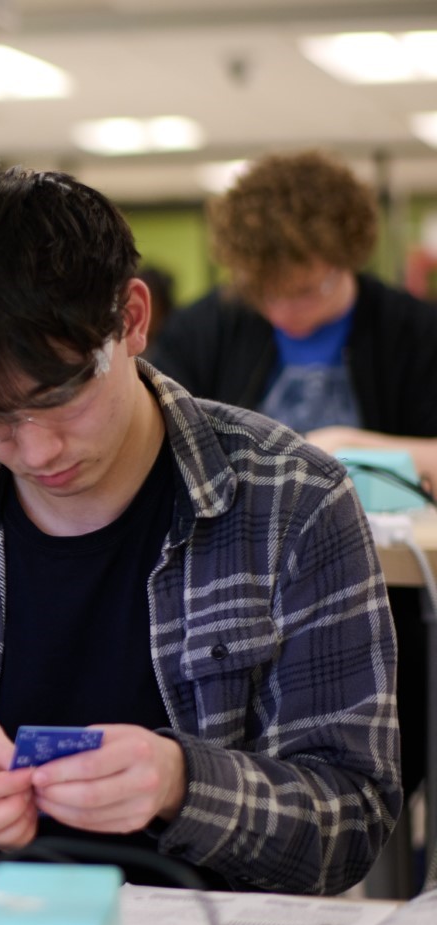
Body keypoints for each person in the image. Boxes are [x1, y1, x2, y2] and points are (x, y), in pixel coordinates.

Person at [0, 167, 400, 895]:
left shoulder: (294, 503)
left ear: (132, 319)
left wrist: (185, 785)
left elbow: (352, 820)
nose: (37, 450)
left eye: (61, 396)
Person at [149, 149, 436, 810]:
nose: (286, 312)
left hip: (390, 597)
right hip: (238, 596)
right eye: (266, 292)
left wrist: (346, 448)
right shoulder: (208, 327)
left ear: (350, 256)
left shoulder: (412, 332)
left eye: (308, 291)